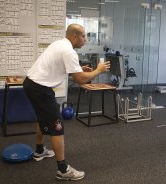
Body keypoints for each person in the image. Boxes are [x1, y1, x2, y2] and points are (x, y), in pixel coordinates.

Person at [23, 23, 110, 180]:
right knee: (58, 128)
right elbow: (80, 80)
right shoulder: (69, 51)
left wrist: (78, 69)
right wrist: (98, 70)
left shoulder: (60, 43)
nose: (85, 39)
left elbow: (64, 68)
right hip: (40, 89)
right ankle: (63, 170)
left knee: (41, 118)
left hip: (31, 84)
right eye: (83, 36)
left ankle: (39, 150)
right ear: (74, 36)